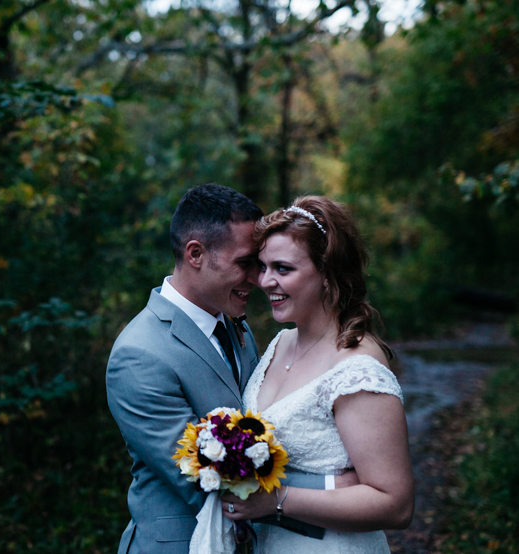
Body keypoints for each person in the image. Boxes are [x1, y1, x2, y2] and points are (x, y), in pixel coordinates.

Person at [106, 185, 352, 554]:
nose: (258, 279)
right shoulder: (140, 354)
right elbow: (209, 479)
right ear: (195, 254)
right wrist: (336, 488)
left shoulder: (235, 325)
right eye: (245, 263)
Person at [220, 196, 415, 553]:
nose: (265, 281)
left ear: (327, 274)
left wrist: (278, 499)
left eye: (283, 269)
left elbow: (396, 505)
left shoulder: (357, 368)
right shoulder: (280, 343)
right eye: (263, 267)